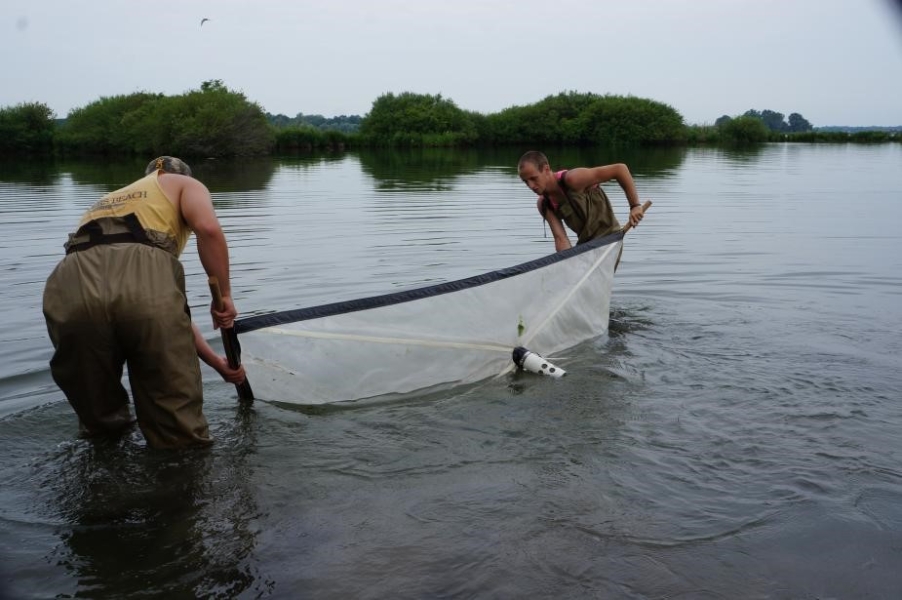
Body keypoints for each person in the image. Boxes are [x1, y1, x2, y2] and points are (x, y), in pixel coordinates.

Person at [42, 156, 245, 449]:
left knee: (100, 421)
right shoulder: (185, 183)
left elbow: (168, 313)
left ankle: (104, 478)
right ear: (181, 174)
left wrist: (217, 363)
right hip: (141, 275)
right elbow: (209, 230)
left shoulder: (109, 200)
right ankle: (180, 479)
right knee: (175, 425)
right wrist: (224, 296)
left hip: (69, 283)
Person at [517, 150, 645, 252]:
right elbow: (560, 239)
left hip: (609, 240)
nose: (531, 186)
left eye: (534, 178)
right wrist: (567, 264)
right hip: (585, 248)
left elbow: (620, 169)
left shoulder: (574, 179)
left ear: (546, 169)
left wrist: (635, 205)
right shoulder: (544, 204)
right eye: (525, 181)